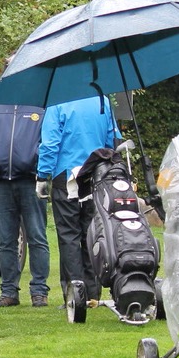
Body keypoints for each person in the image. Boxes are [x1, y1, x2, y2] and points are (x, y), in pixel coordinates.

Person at [36, 95, 120, 304]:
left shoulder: (58, 103)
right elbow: (112, 140)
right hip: (96, 173)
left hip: (67, 174)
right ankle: (93, 292)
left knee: (68, 234)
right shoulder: (102, 100)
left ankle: (74, 294)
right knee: (92, 233)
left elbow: (51, 143)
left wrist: (42, 175)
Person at [0, 102, 50, 308]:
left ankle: (39, 292)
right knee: (5, 240)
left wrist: (35, 158)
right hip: (0, 180)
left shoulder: (40, 102)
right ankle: (8, 292)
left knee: (37, 237)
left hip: (32, 179)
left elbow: (51, 136)